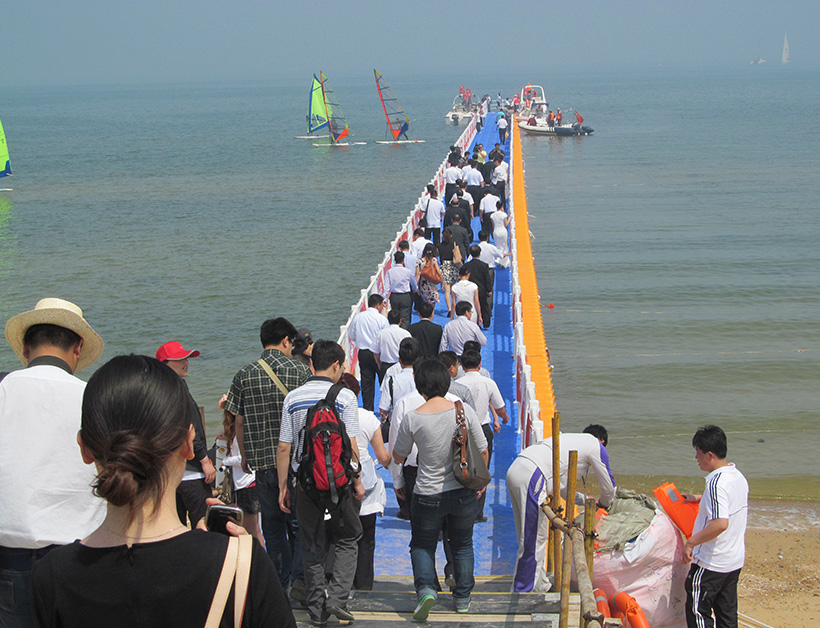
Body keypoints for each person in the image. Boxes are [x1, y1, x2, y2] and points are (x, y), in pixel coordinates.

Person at [31, 354, 293, 628]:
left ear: (84, 448)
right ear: (189, 444)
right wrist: (239, 556)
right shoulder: (241, 565)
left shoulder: (51, 577)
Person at [0, 298, 106, 628]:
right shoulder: (92, 397)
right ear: (78, 348)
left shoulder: (4, 389)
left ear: (26, 348)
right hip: (82, 554)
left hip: (10, 554)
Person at [277, 340, 365, 627]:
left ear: (312, 364)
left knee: (311, 543)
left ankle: (316, 610)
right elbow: (351, 445)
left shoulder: (293, 398)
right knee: (348, 537)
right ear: (337, 365)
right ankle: (337, 598)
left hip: (305, 483)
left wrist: (283, 486)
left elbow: (284, 447)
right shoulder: (345, 397)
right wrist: (357, 480)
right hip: (339, 482)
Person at [393, 358, 488, 619]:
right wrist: (478, 482)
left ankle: (426, 590)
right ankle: (463, 598)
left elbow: (399, 456)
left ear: (420, 386)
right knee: (462, 545)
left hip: (427, 492)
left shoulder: (413, 417)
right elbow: (482, 449)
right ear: (447, 381)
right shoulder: (463, 411)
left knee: (422, 545)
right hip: (462, 490)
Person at [223, 317, 311, 597]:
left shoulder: (244, 374)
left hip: (261, 464)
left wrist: (244, 455)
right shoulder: (300, 371)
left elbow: (238, 421)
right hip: (295, 464)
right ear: (285, 341)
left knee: (272, 527)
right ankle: (300, 579)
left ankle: (279, 585)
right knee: (299, 525)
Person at [506, 425, 616, 593]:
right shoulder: (596, 445)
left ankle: (538, 584)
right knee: (534, 539)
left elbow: (563, 487)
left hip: (517, 469)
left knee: (531, 536)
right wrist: (605, 504)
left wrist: (585, 500)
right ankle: (523, 590)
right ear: (601, 441)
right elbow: (609, 487)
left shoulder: (570, 441)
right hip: (533, 476)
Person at [681, 425, 748, 628]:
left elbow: (720, 523)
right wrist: (699, 498)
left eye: (698, 452)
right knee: (727, 616)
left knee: (698, 614)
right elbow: (727, 502)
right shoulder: (737, 476)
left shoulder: (716, 483)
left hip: (711, 564)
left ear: (709, 455)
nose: (696, 457)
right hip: (733, 562)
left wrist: (691, 542)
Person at [155, 340, 216, 528]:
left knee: (174, 528)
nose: (186, 362)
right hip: (192, 474)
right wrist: (204, 460)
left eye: (187, 358)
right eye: (180, 359)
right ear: (164, 364)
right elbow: (190, 428)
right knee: (204, 525)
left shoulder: (158, 391)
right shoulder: (177, 389)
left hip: (169, 474)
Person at [458, 350, 509, 521]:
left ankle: (461, 507)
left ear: (462, 366)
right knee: (482, 469)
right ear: (479, 365)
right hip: (483, 429)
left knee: (462, 465)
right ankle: (477, 513)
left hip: (463, 430)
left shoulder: (457, 384)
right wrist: (504, 417)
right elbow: (499, 407)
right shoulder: (488, 383)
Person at [220, 398, 266, 547]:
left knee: (251, 530)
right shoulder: (238, 430)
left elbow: (245, 458)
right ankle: (261, 555)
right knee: (253, 529)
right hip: (245, 484)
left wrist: (226, 461)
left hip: (247, 484)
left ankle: (258, 557)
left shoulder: (244, 429)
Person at [348, 294, 388, 411]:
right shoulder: (382, 319)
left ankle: (368, 411)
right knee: (384, 383)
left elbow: (351, 335)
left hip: (364, 353)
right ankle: (385, 409)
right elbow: (386, 337)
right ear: (378, 305)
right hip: (379, 354)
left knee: (366, 384)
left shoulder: (358, 317)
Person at [383, 251, 417, 331]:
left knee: (395, 316)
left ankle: (395, 333)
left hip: (394, 296)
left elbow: (387, 288)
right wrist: (415, 289)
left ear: (394, 260)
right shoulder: (408, 271)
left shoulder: (389, 272)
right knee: (405, 317)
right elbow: (414, 283)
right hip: (405, 296)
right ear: (403, 260)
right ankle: (404, 333)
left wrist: (385, 299)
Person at [461, 245, 493, 328]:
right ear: (480, 253)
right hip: (482, 290)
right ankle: (486, 322)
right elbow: (487, 279)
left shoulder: (466, 265)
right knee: (484, 305)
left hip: (470, 289)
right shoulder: (484, 265)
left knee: (472, 306)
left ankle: (474, 322)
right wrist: (489, 289)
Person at [373, 309, 411, 379]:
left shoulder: (381, 333)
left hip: (385, 366)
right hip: (400, 366)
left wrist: (378, 363)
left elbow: (375, 352)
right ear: (400, 320)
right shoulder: (405, 334)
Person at [438, 228, 460, 317]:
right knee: (453, 289)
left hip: (444, 266)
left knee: (447, 291)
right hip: (453, 266)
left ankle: (449, 309)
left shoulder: (439, 246)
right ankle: (454, 305)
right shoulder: (454, 245)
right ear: (451, 236)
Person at [415, 243, 442, 308]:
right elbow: (439, 272)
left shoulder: (419, 261)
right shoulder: (434, 260)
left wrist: (416, 286)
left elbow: (417, 275)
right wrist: (442, 282)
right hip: (432, 283)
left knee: (424, 303)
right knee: (432, 303)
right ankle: (431, 314)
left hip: (423, 285)